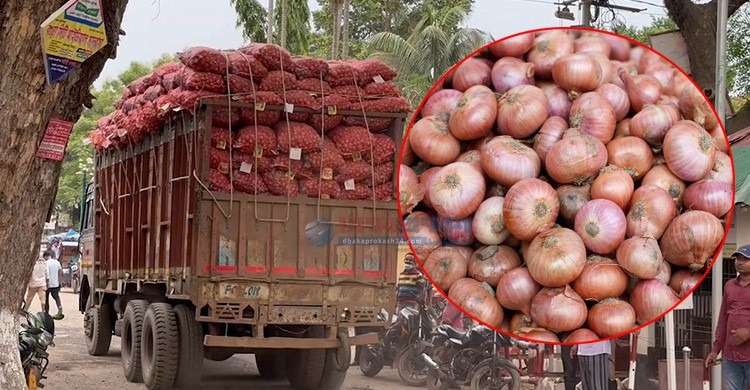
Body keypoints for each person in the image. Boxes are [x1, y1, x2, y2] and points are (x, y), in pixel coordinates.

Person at [705, 244, 750, 390]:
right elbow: (723, 318)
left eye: (745, 259)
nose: (740, 262)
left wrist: (748, 333)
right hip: (730, 354)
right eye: (738, 258)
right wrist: (715, 350)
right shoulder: (729, 286)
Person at [44, 250, 64, 320]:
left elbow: (45, 274)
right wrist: (60, 282)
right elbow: (60, 272)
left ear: (45, 256)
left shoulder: (45, 263)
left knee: (46, 299)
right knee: (56, 297)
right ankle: (60, 308)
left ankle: (46, 313)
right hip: (56, 284)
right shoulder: (57, 262)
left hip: (47, 284)